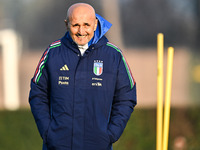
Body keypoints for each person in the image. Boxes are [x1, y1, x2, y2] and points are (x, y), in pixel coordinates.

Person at [29, 3, 137, 150]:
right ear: (66, 24)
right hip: (57, 146)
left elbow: (126, 97)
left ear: (95, 24)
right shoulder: (53, 53)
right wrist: (48, 132)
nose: (81, 31)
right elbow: (37, 94)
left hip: (98, 145)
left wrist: (110, 134)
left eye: (86, 24)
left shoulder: (113, 55)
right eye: (75, 25)